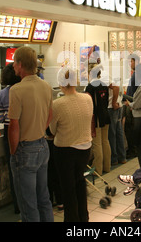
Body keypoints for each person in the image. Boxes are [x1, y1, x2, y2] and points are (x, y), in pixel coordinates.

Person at [7, 46, 54, 222]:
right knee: (43, 198)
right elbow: (50, 114)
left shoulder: (16, 90)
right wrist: (39, 128)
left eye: (14, 63)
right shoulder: (46, 85)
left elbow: (14, 125)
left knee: (28, 204)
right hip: (42, 146)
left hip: (25, 149)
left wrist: (14, 151)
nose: (13, 67)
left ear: (20, 64)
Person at [49, 67, 93, 222]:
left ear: (60, 83)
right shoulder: (87, 98)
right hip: (85, 148)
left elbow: (52, 130)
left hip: (65, 150)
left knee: (68, 188)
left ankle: (72, 221)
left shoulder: (57, 104)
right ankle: (83, 217)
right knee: (80, 182)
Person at [0, 62, 21, 214]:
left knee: (13, 171)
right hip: (25, 129)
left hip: (8, 131)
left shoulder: (3, 94)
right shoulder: (24, 91)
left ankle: (17, 205)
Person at [85, 63, 111, 175]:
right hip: (106, 115)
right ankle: (107, 167)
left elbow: (88, 104)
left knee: (97, 144)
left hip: (96, 118)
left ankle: (98, 170)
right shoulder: (104, 85)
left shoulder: (90, 87)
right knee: (105, 141)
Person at [123, 53, 140, 159]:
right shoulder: (135, 73)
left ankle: (132, 150)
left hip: (132, 104)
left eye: (132, 61)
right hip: (131, 103)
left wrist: (127, 98)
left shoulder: (137, 74)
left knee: (129, 128)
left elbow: (137, 92)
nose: (130, 63)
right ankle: (133, 149)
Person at [108, 77, 126, 165]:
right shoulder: (105, 75)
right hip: (118, 106)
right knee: (119, 132)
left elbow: (116, 87)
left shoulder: (103, 76)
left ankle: (114, 159)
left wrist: (113, 103)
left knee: (112, 134)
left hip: (112, 108)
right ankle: (122, 157)